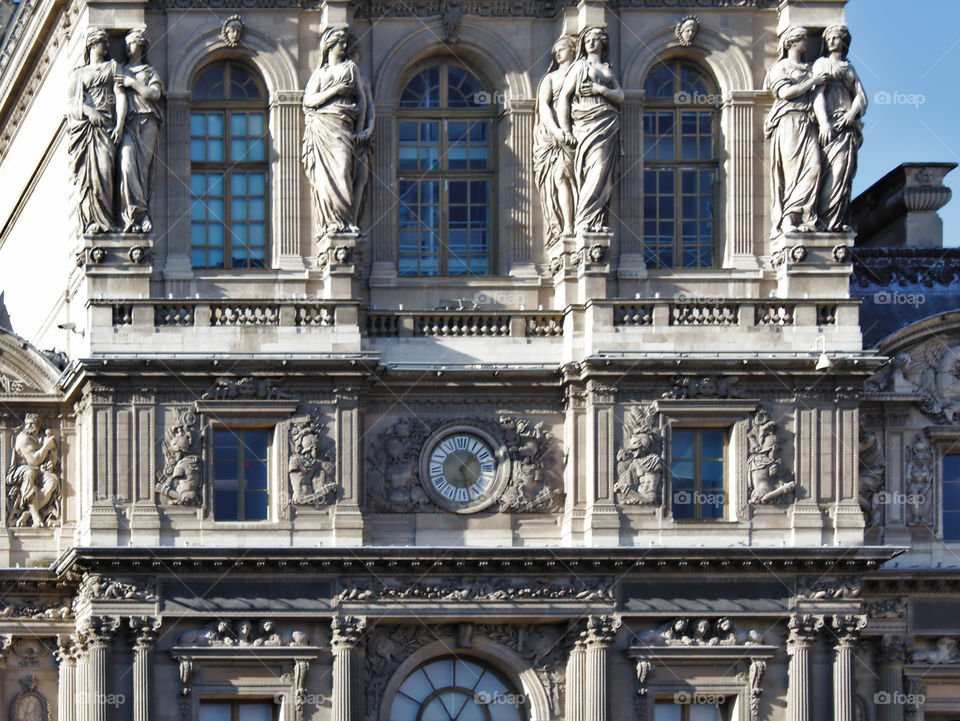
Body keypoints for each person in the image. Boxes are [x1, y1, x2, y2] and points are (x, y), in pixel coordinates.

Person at [301, 27, 371, 237]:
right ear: (330, 46)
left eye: (345, 42)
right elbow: (309, 101)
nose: (345, 46)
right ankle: (333, 224)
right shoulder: (319, 74)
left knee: (343, 170)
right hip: (322, 127)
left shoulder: (351, 68)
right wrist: (335, 91)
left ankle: (346, 221)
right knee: (324, 178)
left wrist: (359, 130)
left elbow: (362, 100)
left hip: (344, 127)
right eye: (340, 42)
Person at [556, 26, 623, 235]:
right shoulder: (579, 67)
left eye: (595, 40)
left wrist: (600, 89)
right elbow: (564, 98)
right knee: (593, 168)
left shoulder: (608, 69)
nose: (591, 43)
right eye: (587, 41)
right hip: (585, 123)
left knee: (603, 171)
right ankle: (584, 220)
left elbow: (620, 96)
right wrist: (565, 130)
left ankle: (593, 220)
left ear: (603, 43)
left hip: (607, 121)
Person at [763, 26, 828, 238]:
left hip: (808, 123)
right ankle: (789, 218)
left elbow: (818, 98)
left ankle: (806, 215)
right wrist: (812, 82)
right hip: (788, 122)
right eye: (803, 39)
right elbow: (785, 92)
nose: (806, 43)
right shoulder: (780, 68)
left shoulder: (810, 67)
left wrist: (824, 123)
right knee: (792, 174)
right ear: (791, 42)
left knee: (815, 167)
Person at [68, 26, 126, 234]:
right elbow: (72, 104)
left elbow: (120, 96)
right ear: (92, 44)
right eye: (103, 42)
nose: (107, 45)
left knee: (105, 172)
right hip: (87, 130)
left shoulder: (113, 67)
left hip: (107, 129)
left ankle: (107, 221)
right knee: (88, 178)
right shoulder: (79, 74)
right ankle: (92, 220)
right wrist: (89, 111)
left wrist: (120, 125)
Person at [813, 24, 867, 232]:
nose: (831, 41)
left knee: (844, 173)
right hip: (831, 126)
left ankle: (835, 221)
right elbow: (818, 96)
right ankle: (826, 220)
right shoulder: (822, 64)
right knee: (831, 171)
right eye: (829, 38)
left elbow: (861, 97)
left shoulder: (849, 68)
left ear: (844, 41)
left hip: (846, 127)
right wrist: (824, 122)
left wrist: (851, 114)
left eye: (836, 37)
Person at [118, 26, 164, 233]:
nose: (128, 46)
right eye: (126, 43)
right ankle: (134, 213)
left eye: (132, 42)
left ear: (142, 45)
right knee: (127, 166)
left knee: (143, 170)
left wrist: (132, 83)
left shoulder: (149, 71)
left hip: (148, 120)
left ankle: (142, 216)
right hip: (128, 123)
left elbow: (154, 94)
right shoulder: (120, 69)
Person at [533, 35, 577, 245]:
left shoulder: (581, 71)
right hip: (554, 137)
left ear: (573, 50)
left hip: (579, 133)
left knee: (575, 179)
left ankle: (578, 226)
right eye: (556, 51)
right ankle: (567, 226)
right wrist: (557, 131)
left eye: (562, 48)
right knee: (559, 177)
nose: (558, 53)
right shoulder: (550, 79)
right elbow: (543, 107)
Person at [6, 414, 59, 528]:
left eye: (32, 423)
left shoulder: (41, 437)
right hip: (22, 469)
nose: (29, 426)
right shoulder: (23, 438)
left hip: (39, 471)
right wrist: (46, 446)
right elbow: (33, 461)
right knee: (30, 473)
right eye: (27, 424)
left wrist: (50, 462)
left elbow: (51, 457)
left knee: (53, 480)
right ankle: (35, 517)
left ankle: (27, 514)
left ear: (38, 425)